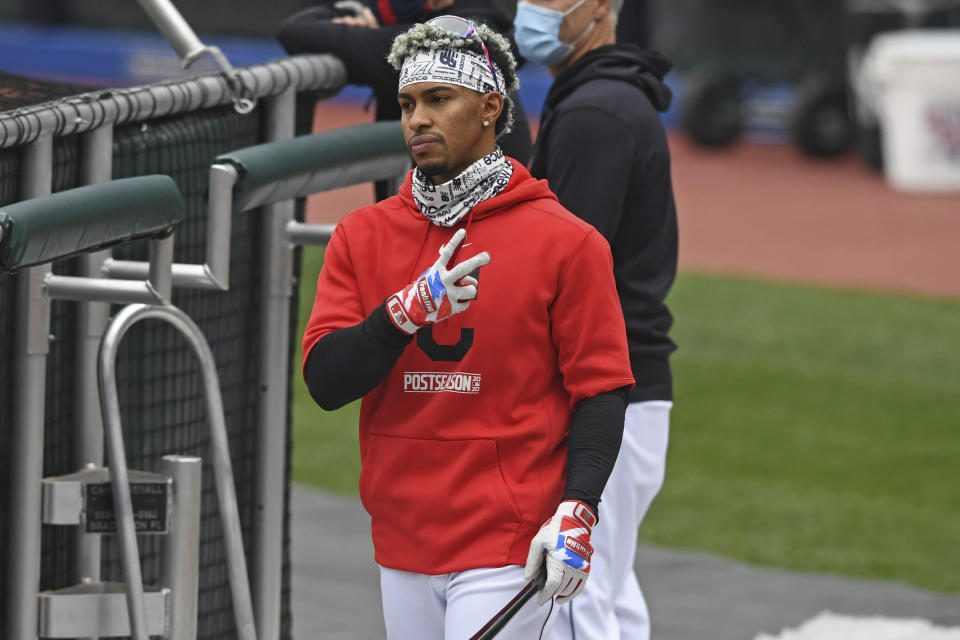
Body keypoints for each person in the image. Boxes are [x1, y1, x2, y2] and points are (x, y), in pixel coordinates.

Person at [301, 15, 635, 639]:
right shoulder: (361, 236)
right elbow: (325, 381)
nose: (416, 120)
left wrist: (578, 507)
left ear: (489, 107)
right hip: (402, 538)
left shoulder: (568, 242)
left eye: (438, 99)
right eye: (406, 103)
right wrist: (402, 315)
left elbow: (602, 389)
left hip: (507, 543)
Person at [514, 1, 679, 639]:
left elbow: (563, 276)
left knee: (574, 598)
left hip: (607, 393)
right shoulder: (598, 98)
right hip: (632, 389)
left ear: (602, 7)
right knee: (609, 591)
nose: (534, 9)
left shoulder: (595, 114)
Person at [276, 0, 534, 200]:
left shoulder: (441, 38)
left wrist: (368, 18)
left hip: (470, 217)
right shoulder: (474, 23)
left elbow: (295, 31)